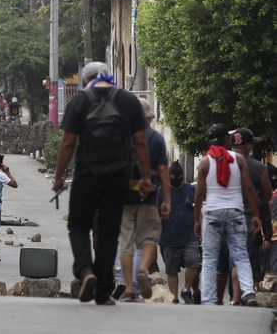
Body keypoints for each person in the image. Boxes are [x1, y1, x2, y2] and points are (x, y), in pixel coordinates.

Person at [53, 61, 152, 306]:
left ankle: (86, 271)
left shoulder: (80, 100)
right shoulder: (128, 101)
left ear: (86, 80)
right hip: (119, 175)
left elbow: (67, 143)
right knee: (109, 231)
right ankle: (103, 291)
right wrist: (146, 178)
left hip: (87, 174)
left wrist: (58, 176)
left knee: (78, 225)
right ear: (108, 76)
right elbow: (140, 143)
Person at [194, 123, 260, 306]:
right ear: (226, 139)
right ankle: (248, 292)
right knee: (240, 255)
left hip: (212, 213)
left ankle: (208, 300)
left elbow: (199, 193)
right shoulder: (238, 159)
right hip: (236, 213)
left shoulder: (205, 162)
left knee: (209, 259)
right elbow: (248, 188)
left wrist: (196, 220)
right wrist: (256, 215)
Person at [117, 98, 171, 302]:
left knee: (126, 243)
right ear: (149, 118)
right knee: (149, 237)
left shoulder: (120, 137)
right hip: (148, 197)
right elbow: (164, 172)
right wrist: (167, 200)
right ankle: (142, 270)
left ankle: (129, 289)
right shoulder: (156, 139)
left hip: (123, 198)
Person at [217, 128, 272, 304]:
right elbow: (266, 196)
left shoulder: (216, 163)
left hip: (219, 218)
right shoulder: (257, 166)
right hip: (246, 221)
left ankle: (217, 301)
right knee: (239, 260)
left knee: (220, 264)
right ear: (247, 145)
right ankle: (237, 298)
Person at [157, 160, 200, 304]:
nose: (176, 180)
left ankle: (186, 290)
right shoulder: (161, 191)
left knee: (193, 262)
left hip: (190, 236)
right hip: (168, 238)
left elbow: (197, 209)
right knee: (171, 270)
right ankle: (174, 298)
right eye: (173, 178)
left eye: (179, 177)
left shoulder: (190, 189)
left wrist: (199, 224)